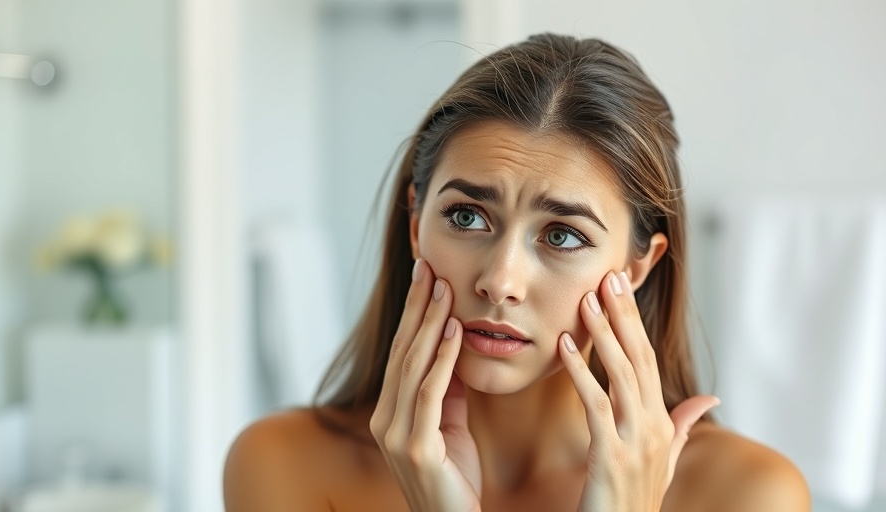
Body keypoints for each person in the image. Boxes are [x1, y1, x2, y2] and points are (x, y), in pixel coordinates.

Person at [223, 33, 811, 511]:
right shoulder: (283, 466)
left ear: (636, 268)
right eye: (466, 216)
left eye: (562, 235)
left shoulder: (749, 496)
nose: (500, 280)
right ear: (414, 225)